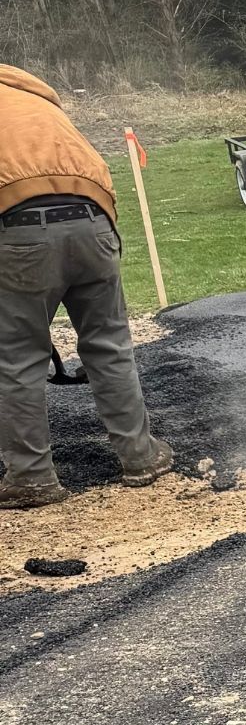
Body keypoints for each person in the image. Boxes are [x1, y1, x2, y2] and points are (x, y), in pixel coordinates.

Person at [0, 64, 172, 509]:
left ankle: (32, 477)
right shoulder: (34, 98)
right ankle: (141, 457)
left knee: (18, 358)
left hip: (17, 230)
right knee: (108, 343)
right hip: (94, 218)